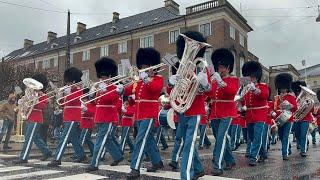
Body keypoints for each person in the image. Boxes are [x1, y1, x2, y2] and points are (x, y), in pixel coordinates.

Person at [167, 31, 209, 180]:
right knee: (187, 143)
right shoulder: (180, 68)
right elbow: (172, 92)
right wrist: (171, 82)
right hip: (182, 111)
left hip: (195, 110)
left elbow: (207, 91)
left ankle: (185, 176)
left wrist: (204, 83)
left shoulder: (202, 68)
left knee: (188, 145)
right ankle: (198, 169)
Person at [125, 47, 164, 179]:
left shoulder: (158, 78)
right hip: (140, 115)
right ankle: (157, 161)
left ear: (153, 66)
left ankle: (135, 168)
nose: (143, 68)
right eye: (142, 66)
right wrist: (120, 89)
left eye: (146, 66)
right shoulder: (139, 81)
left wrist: (147, 79)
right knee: (148, 140)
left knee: (140, 140)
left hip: (149, 114)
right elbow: (128, 90)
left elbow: (155, 89)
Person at [85, 57, 124, 172]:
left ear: (110, 76)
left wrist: (104, 90)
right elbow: (96, 102)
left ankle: (94, 163)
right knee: (107, 140)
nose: (102, 79)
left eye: (105, 77)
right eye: (101, 77)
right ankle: (118, 156)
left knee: (99, 140)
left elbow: (111, 99)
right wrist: (92, 94)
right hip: (100, 117)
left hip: (109, 117)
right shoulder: (100, 88)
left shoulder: (114, 87)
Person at [48, 67, 86, 167]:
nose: (68, 84)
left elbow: (72, 100)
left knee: (64, 138)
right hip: (67, 116)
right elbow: (62, 103)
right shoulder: (69, 89)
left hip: (73, 116)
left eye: (69, 82)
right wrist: (59, 95)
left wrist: (66, 93)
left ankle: (57, 158)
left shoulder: (78, 90)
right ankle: (81, 155)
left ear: (73, 81)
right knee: (73, 138)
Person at [208, 48, 238, 175]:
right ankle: (230, 160)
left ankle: (217, 165)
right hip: (215, 113)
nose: (219, 69)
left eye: (222, 67)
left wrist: (221, 82)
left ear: (228, 67)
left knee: (220, 138)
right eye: (218, 66)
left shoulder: (233, 79)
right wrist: (205, 84)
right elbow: (209, 95)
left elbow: (232, 92)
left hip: (227, 112)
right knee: (221, 137)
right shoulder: (214, 80)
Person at [13, 73, 52, 164]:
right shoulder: (30, 93)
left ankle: (24, 157)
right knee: (35, 138)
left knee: (28, 138)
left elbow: (41, 106)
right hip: (29, 117)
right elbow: (24, 103)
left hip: (36, 118)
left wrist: (35, 99)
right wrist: (23, 101)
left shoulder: (42, 95)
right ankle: (47, 152)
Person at [241, 61, 269, 166]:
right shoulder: (246, 88)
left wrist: (255, 89)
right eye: (249, 76)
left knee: (257, 136)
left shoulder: (263, 85)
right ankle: (263, 153)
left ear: (256, 76)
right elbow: (244, 100)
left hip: (260, 114)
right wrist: (241, 104)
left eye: (252, 76)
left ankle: (253, 157)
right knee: (252, 137)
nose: (250, 78)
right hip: (250, 115)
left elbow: (265, 95)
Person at [272, 74, 297, 160]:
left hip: (288, 118)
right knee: (282, 137)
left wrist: (288, 105)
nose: (282, 89)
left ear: (287, 87)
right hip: (279, 119)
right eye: (281, 88)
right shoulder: (276, 98)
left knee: (285, 136)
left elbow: (295, 108)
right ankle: (287, 147)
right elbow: (274, 109)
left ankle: (284, 154)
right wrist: (273, 113)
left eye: (284, 87)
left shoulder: (291, 97)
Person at [291, 80, 313, 157]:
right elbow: (293, 109)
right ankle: (300, 144)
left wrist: (308, 106)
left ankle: (303, 150)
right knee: (297, 134)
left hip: (305, 119)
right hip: (297, 119)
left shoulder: (308, 99)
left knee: (303, 135)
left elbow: (312, 110)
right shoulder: (296, 98)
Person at [79, 89, 95, 157]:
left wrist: (86, 109)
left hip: (88, 124)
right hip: (83, 124)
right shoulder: (84, 104)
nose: (83, 100)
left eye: (84, 99)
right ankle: (94, 152)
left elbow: (92, 113)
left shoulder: (91, 104)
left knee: (82, 140)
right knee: (88, 140)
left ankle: (79, 154)